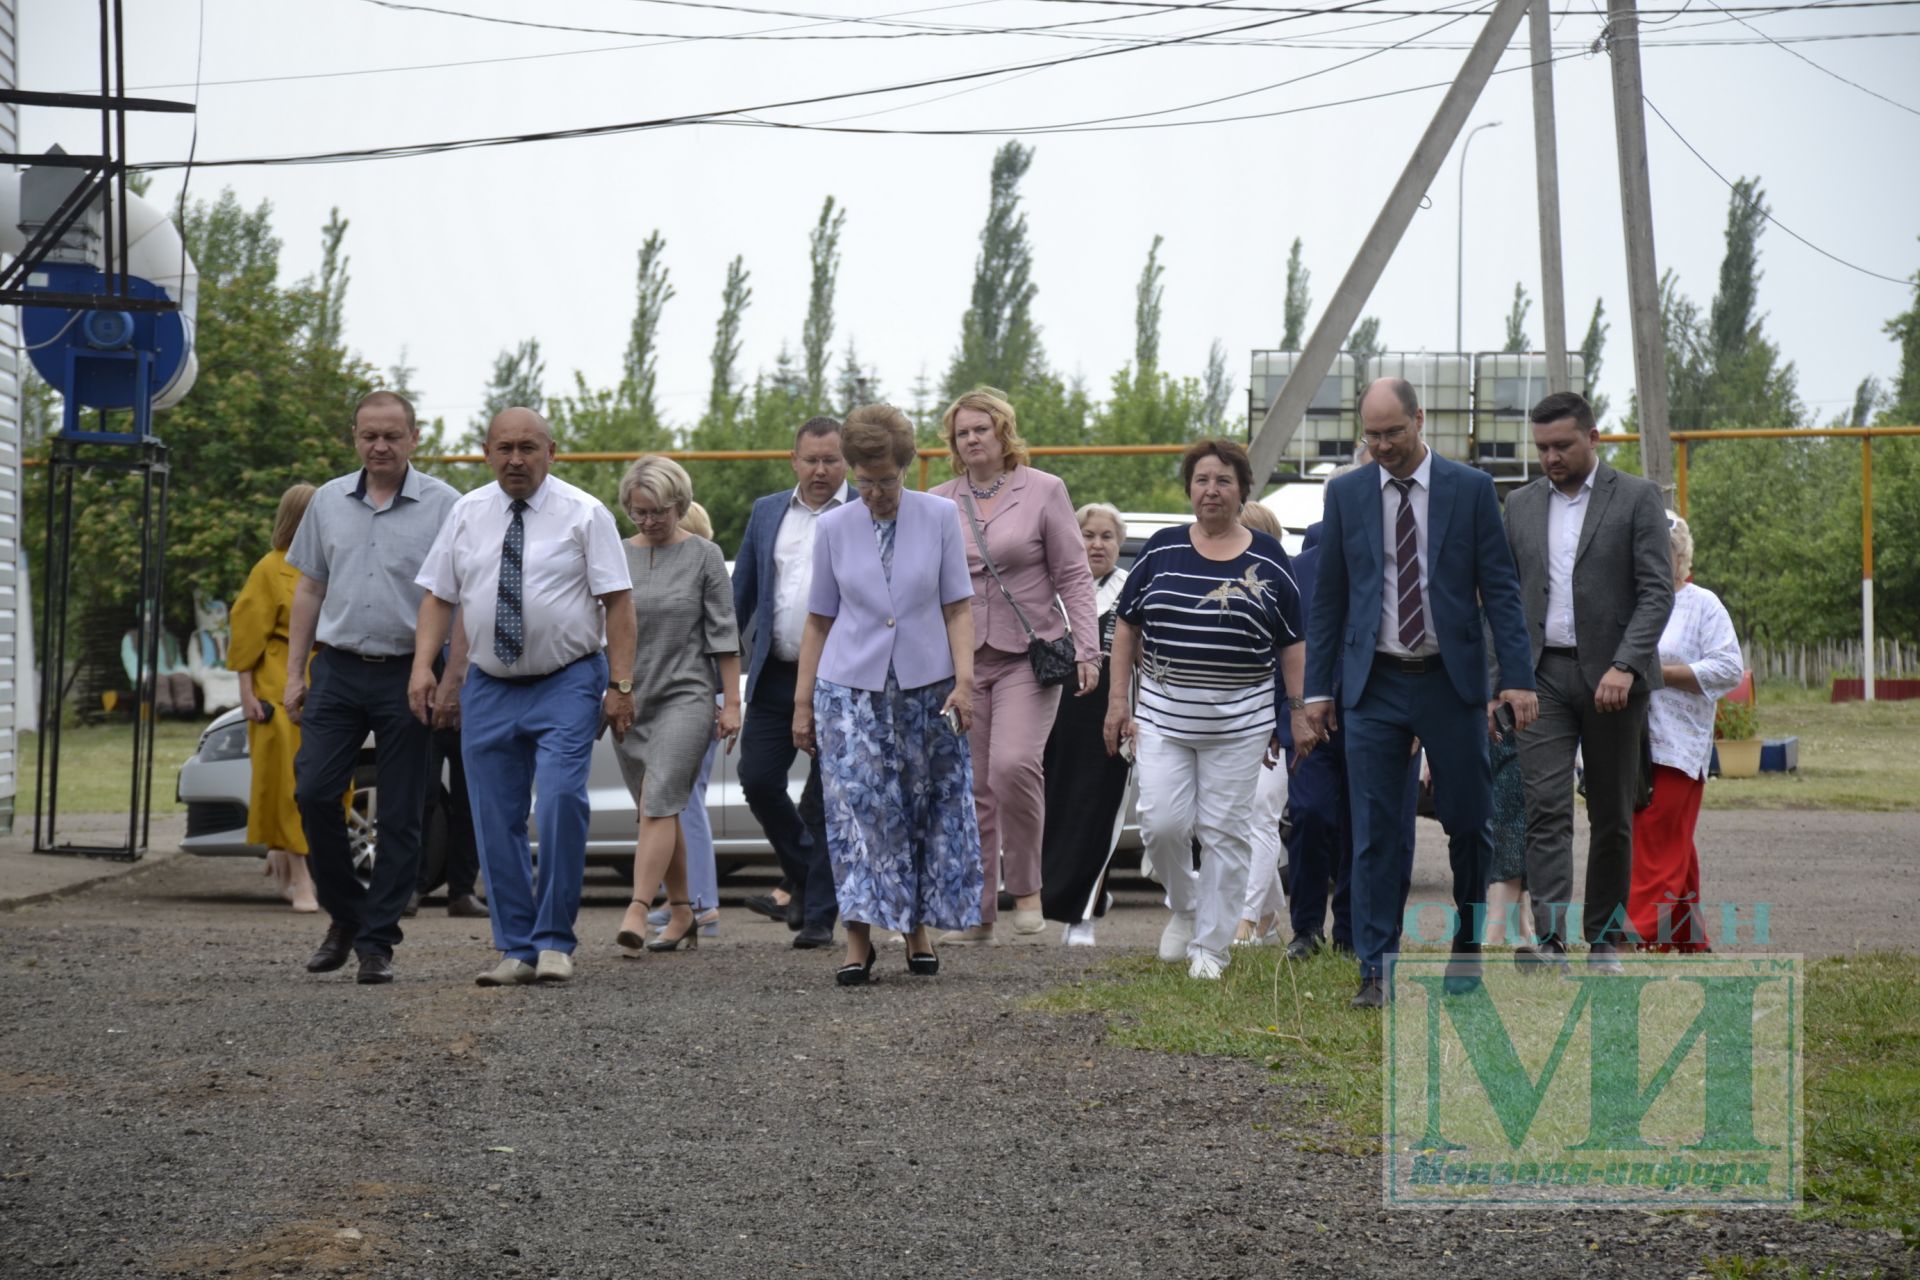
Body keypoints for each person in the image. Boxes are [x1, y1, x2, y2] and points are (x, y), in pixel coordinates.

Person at [1295, 378, 1537, 1010]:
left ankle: (1466, 946)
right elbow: (1329, 602)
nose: (1381, 446)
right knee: (1373, 830)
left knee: (1468, 823)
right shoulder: (1345, 493)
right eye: (1371, 435)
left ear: (1420, 420)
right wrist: (1317, 691)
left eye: (1393, 433)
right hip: (1372, 685)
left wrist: (1514, 677)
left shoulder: (1472, 490)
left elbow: (1503, 592)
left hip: (1450, 684)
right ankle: (1377, 969)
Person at [411, 407, 636, 987]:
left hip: (567, 679)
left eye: (528, 448)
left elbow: (618, 602)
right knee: (493, 816)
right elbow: (441, 596)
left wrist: (620, 684)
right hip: (489, 683)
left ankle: (556, 939)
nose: (516, 459)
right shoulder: (467, 513)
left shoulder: (585, 514)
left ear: (551, 451)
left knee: (562, 800)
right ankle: (516, 946)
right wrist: (426, 670)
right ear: (487, 451)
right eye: (504, 448)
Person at [1104, 439, 1306, 982]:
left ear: (1242, 489)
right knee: (1163, 825)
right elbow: (1127, 625)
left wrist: (1297, 713)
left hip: (1241, 722)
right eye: (1201, 480)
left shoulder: (1267, 556)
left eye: (1222, 481)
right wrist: (1117, 703)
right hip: (1164, 719)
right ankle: (1187, 904)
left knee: (1225, 832)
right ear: (1189, 488)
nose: (1211, 490)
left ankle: (1211, 949)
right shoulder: (1161, 549)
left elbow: (1292, 641)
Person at [793, 405, 981, 986]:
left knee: (920, 810)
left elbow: (957, 606)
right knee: (859, 816)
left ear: (907, 467)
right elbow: (820, 620)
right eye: (865, 480)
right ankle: (857, 940)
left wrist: (965, 681)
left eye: (887, 480)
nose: (875, 492)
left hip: (927, 691)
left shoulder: (942, 516)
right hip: (849, 693)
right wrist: (801, 703)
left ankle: (916, 931)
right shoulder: (832, 527)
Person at [285, 391, 459, 985]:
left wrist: (445, 674)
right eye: (369, 436)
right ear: (354, 437)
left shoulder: (445, 507)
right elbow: (309, 589)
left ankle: (377, 942)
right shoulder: (328, 501)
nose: (379, 446)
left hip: (410, 674)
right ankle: (347, 915)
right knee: (312, 792)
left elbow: (460, 597)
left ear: (414, 437)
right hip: (336, 668)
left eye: (392, 435)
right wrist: (293, 672)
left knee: (405, 812)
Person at [1500, 391, 1673, 974]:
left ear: (1593, 437)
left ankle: (1603, 939)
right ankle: (1550, 942)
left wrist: (1625, 665)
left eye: (1562, 445)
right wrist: (1505, 679)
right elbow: (1501, 599)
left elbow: (1658, 591)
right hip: (1540, 678)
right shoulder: (1519, 506)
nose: (1551, 456)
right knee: (1545, 806)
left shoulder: (1638, 498)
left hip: (1614, 680)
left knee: (1611, 811)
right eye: (1542, 446)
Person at [930, 389, 1098, 943]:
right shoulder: (937, 501)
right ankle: (977, 914)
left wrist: (1087, 649)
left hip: (1031, 655)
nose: (972, 439)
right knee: (974, 787)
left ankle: (1026, 891)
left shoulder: (1044, 490)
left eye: (981, 429)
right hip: (962, 662)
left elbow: (1074, 574)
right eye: (962, 433)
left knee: (1013, 766)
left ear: (1004, 433)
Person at [607, 460, 740, 956]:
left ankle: (639, 908)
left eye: (657, 511)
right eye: (637, 512)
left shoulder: (705, 555)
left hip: (687, 695)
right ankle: (683, 908)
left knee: (660, 800)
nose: (647, 521)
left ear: (680, 505)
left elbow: (723, 635)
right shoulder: (616, 555)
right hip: (630, 698)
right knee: (658, 805)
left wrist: (731, 704)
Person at [731, 417, 851, 949]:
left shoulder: (864, 512)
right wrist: (720, 674)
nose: (821, 470)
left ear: (846, 462)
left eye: (831, 460)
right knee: (757, 779)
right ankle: (806, 874)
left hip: (844, 679)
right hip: (774, 672)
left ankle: (821, 916)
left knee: (829, 799)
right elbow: (742, 595)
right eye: (812, 459)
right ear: (794, 460)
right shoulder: (767, 511)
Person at [1628, 512, 1742, 951]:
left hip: (1679, 744)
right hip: (1632, 742)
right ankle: (1688, 937)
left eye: (1665, 551)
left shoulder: (1702, 604)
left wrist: (1663, 673)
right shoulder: (1632, 600)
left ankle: (1632, 935)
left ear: (1681, 556)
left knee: (1658, 838)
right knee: (1663, 837)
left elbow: (1729, 667)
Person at [1038, 503, 1132, 947]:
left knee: (1097, 815)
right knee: (1053, 812)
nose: (1096, 544)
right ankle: (1052, 901)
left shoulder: (1131, 590)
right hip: (1051, 715)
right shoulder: (1050, 589)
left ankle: (1084, 916)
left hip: (1107, 719)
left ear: (1119, 543)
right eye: (1088, 535)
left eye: (1106, 536)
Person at [227, 482, 320, 914]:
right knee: (286, 783)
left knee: (328, 785)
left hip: (326, 681)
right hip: (276, 685)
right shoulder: (269, 569)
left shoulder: (332, 565)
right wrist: (247, 693)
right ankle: (300, 876)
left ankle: (283, 856)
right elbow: (246, 634)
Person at [645, 500, 724, 940]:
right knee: (678, 798)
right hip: (688, 697)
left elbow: (719, 641)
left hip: (697, 699)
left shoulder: (702, 577)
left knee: (684, 798)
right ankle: (686, 898)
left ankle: (699, 902)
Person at [1232, 501, 1291, 946]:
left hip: (1277, 725)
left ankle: (1247, 921)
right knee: (1238, 822)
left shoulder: (1288, 591)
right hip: (1228, 723)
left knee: (1261, 818)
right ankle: (1270, 917)